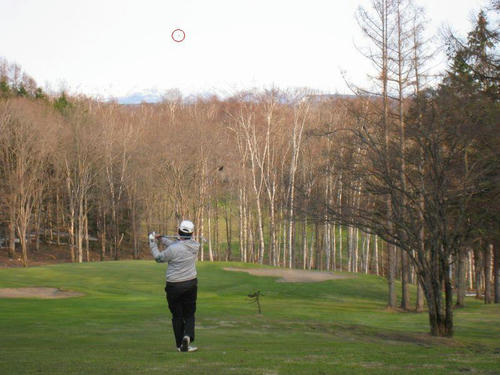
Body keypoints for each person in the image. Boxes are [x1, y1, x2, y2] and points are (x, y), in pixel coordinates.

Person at [149, 220, 200, 352]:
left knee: (177, 316)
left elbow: (159, 258)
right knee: (189, 314)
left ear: (178, 231)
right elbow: (178, 246)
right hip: (190, 283)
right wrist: (163, 239)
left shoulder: (173, 249)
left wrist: (152, 243)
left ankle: (180, 344)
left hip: (174, 286)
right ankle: (187, 336)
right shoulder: (196, 245)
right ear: (192, 233)